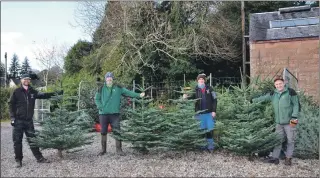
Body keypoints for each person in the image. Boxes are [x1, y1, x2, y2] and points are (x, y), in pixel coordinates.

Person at [8, 74, 63, 168]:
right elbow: (11, 105)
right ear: (21, 80)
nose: (27, 81)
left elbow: (44, 95)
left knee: (33, 141)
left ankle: (39, 158)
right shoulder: (16, 91)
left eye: (28, 79)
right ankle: (18, 160)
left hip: (29, 121)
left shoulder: (32, 91)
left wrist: (58, 93)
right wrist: (13, 118)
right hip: (18, 121)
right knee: (17, 141)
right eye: (25, 79)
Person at [252, 75, 300, 166]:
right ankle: (275, 158)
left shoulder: (290, 92)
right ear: (275, 85)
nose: (278, 85)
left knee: (291, 140)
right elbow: (263, 98)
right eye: (277, 84)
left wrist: (294, 117)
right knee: (277, 140)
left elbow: (296, 105)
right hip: (278, 123)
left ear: (283, 83)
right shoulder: (273, 94)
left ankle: (288, 158)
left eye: (280, 83)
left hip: (291, 121)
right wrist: (252, 101)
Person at [95, 72, 145, 156]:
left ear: (112, 79)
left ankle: (119, 150)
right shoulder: (101, 88)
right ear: (105, 79)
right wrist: (100, 107)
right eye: (108, 77)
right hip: (103, 114)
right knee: (103, 131)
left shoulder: (118, 88)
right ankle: (103, 150)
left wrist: (139, 95)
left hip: (114, 114)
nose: (109, 79)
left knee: (117, 131)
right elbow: (96, 99)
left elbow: (129, 93)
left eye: (111, 77)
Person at [183, 73, 217, 152]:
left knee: (210, 130)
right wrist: (185, 97)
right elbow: (190, 98)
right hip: (199, 114)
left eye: (202, 79)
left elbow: (215, 99)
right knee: (201, 130)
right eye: (199, 79)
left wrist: (214, 111)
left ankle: (210, 147)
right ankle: (202, 147)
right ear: (197, 81)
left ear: (204, 81)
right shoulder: (195, 90)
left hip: (209, 114)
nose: (201, 80)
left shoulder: (210, 88)